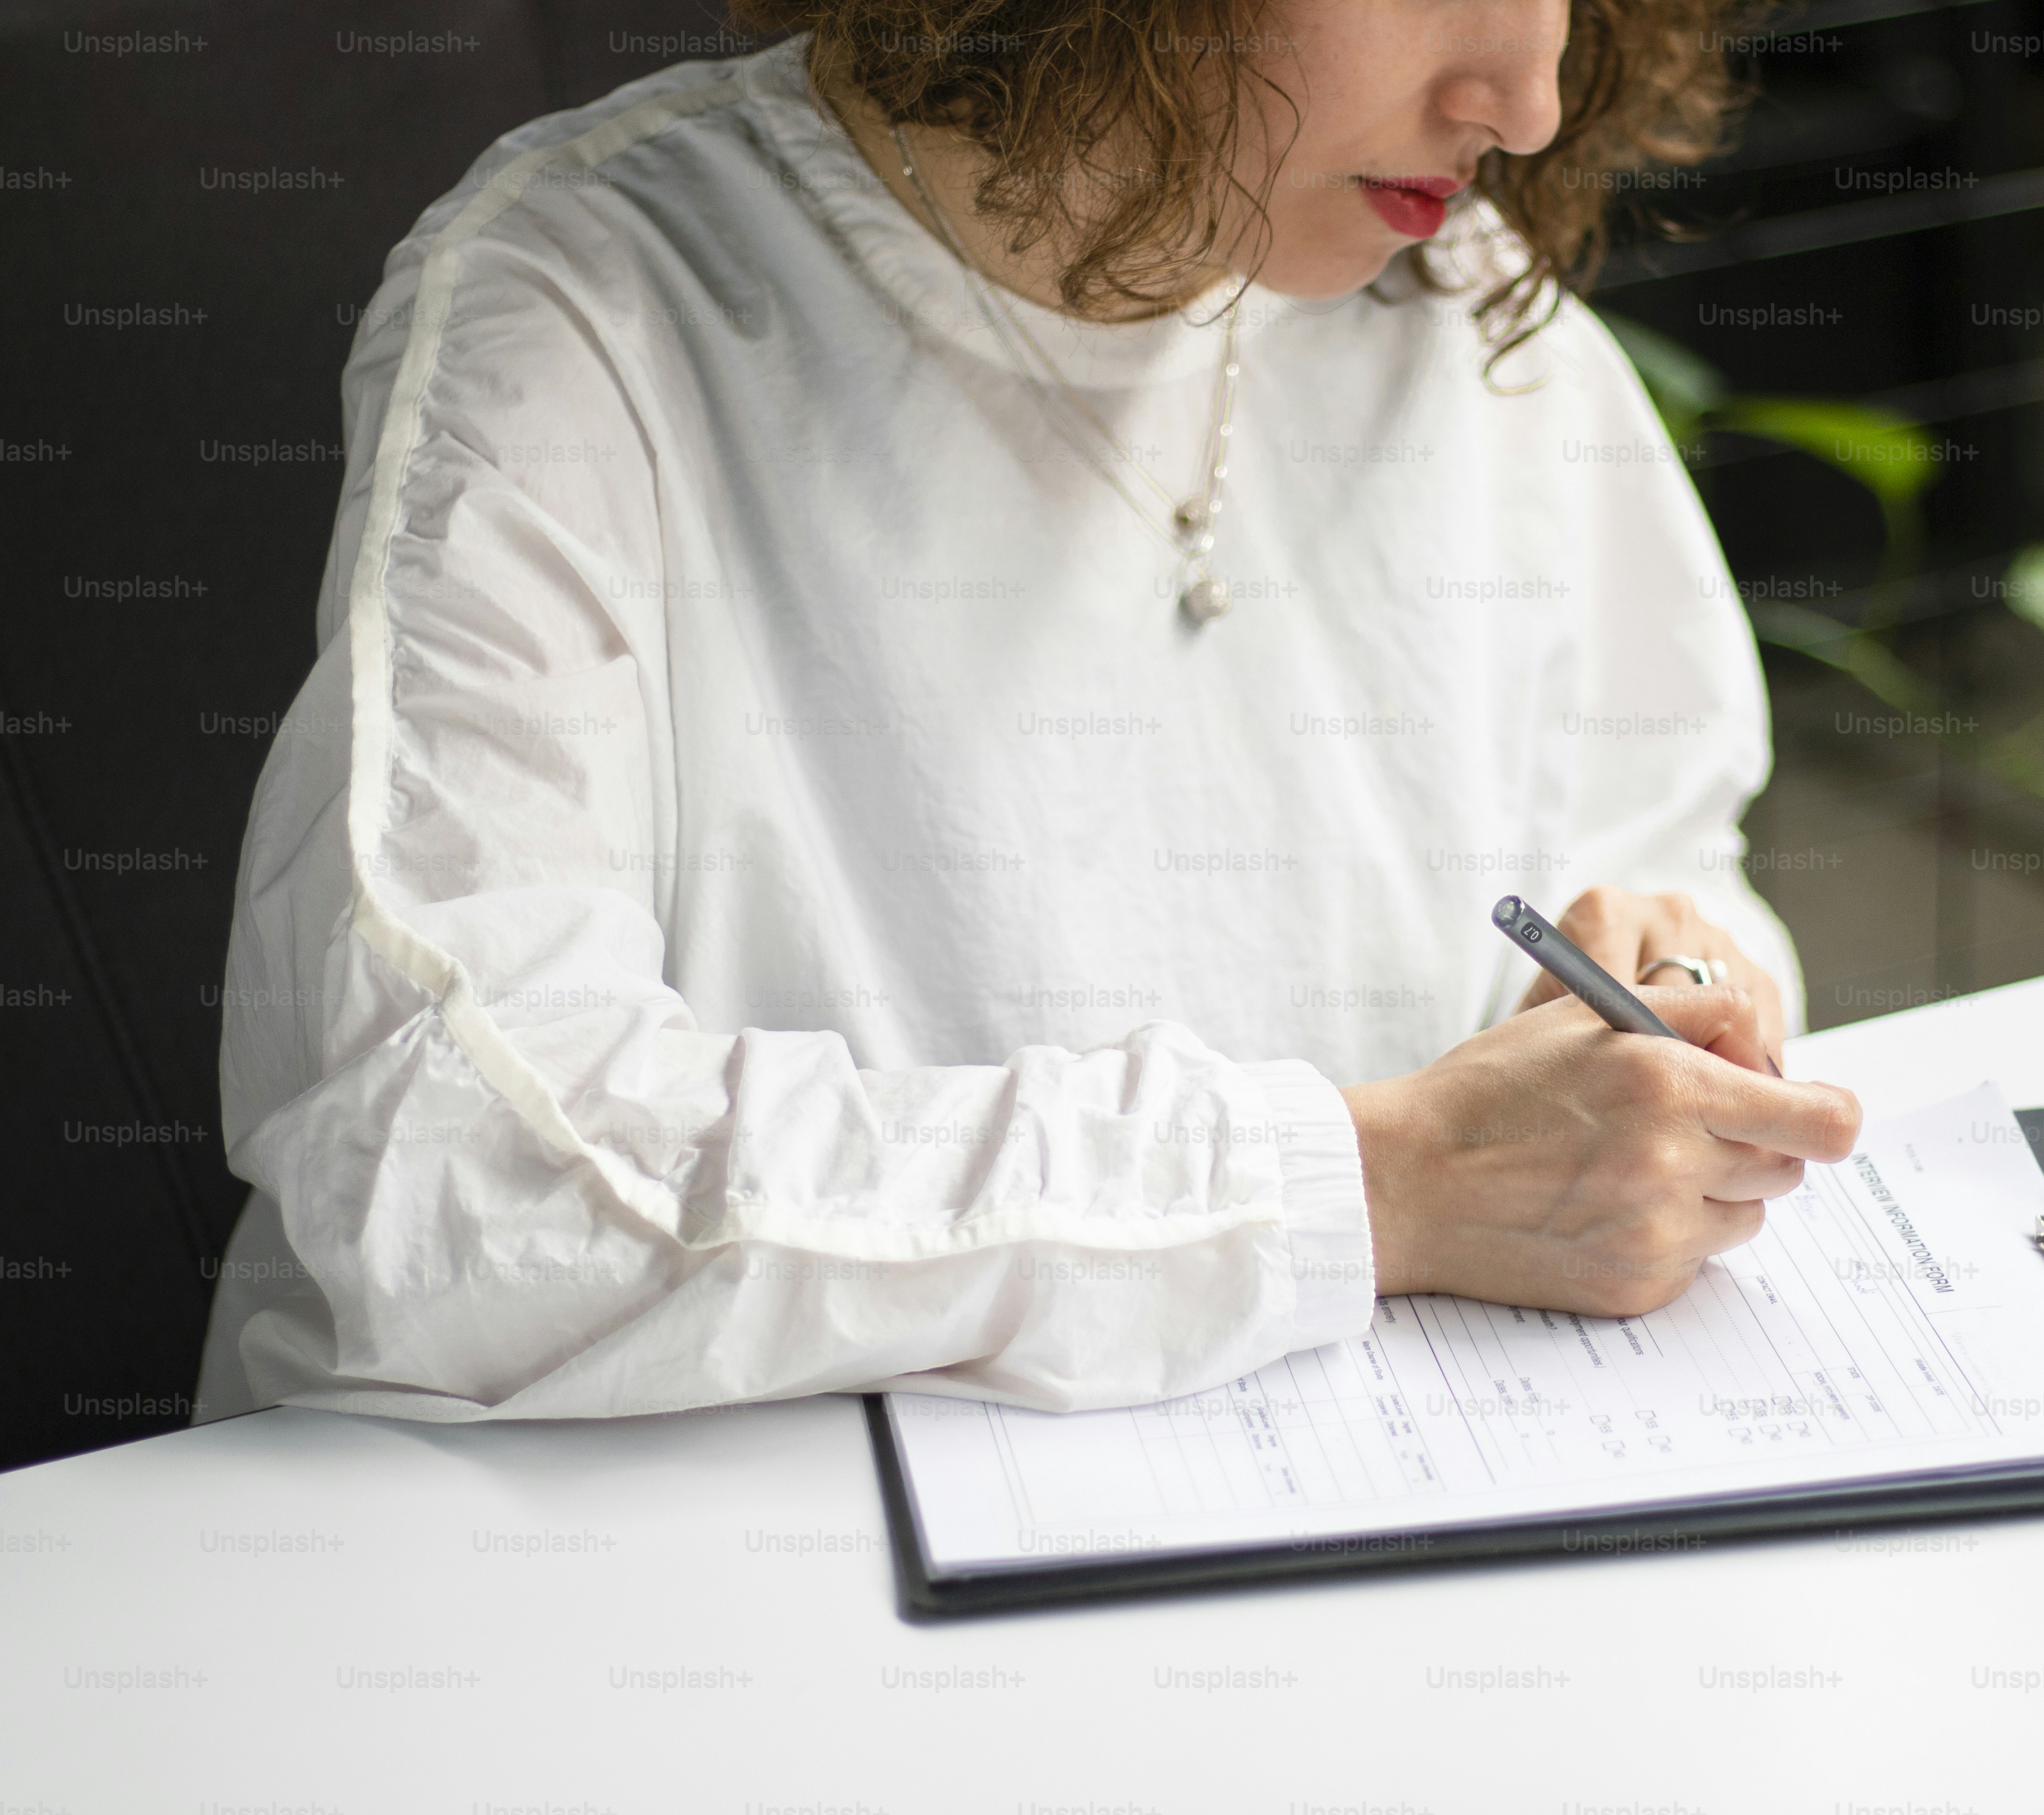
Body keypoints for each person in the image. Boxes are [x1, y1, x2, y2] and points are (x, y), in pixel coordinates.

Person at [195, 0, 1862, 1424]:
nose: (1528, 96)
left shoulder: (1452, 294)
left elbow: (1667, 833)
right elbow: (452, 1171)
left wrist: (1681, 994)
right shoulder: (599, 304)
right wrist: (1371, 1183)